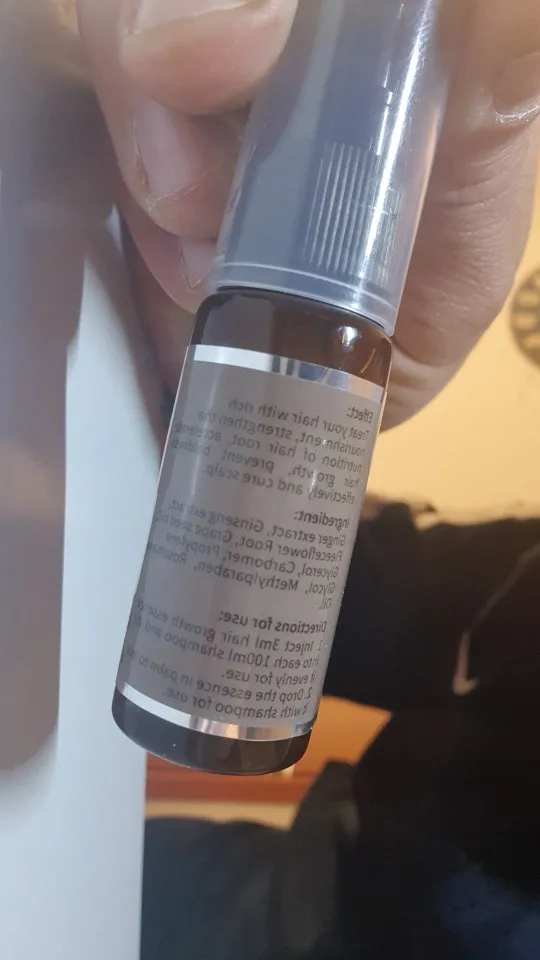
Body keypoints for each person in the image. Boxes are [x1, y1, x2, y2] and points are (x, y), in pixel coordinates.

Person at [71, 2, 540, 957]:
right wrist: (132, 458)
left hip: (416, 919)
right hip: (321, 860)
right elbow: (411, 596)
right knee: (110, 885)